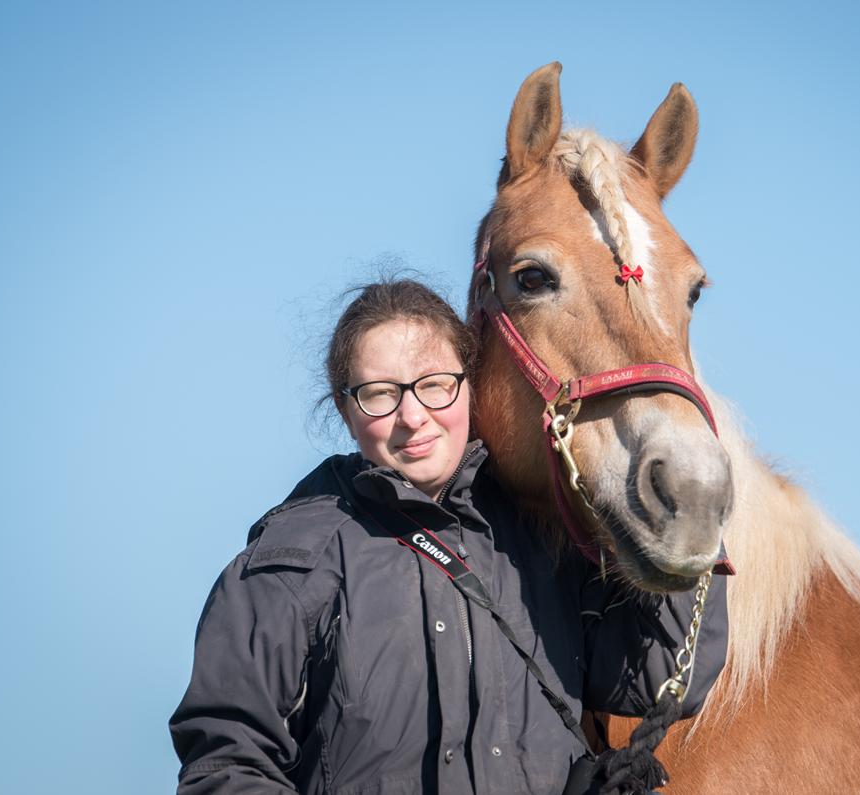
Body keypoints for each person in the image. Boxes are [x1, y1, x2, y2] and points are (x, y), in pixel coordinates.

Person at [169, 279, 729, 794]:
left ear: (470, 386)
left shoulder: (544, 535)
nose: (413, 416)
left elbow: (651, 682)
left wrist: (678, 523)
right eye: (380, 394)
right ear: (344, 407)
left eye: (436, 385)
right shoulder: (292, 561)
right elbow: (226, 762)